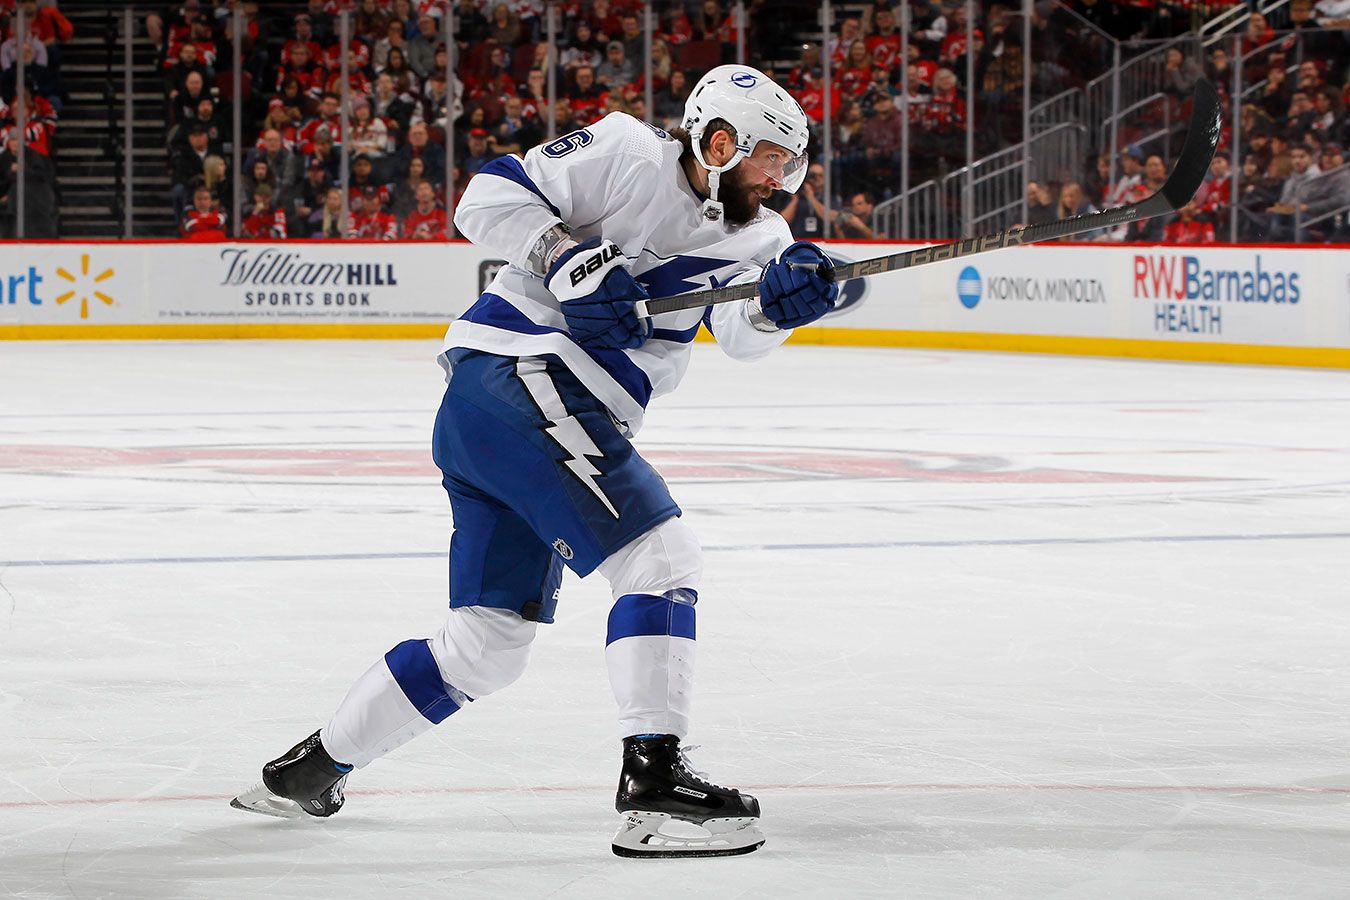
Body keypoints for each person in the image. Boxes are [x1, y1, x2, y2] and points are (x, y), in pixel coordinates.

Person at [232, 64, 838, 860]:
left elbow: (741, 336)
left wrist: (780, 308)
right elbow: (484, 197)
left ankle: (309, 771)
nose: (781, 180)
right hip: (522, 376)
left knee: (485, 647)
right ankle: (653, 784)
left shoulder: (762, 239)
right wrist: (566, 257)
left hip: (503, 418)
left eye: (789, 164)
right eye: (771, 159)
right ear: (719, 143)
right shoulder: (627, 152)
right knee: (660, 558)